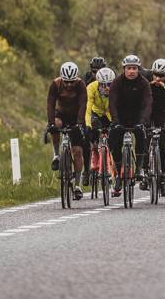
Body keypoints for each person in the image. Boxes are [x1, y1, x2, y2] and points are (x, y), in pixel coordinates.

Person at [108, 55, 152, 198]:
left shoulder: (144, 83)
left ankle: (139, 168)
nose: (132, 71)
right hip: (120, 117)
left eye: (134, 68)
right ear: (124, 69)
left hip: (137, 117)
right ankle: (119, 175)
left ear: (138, 69)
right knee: (114, 142)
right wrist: (115, 121)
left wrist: (143, 121)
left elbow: (147, 103)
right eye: (129, 68)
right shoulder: (117, 82)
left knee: (141, 136)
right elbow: (112, 103)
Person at [47, 61, 87, 199]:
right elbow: (50, 104)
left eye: (72, 82)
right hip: (62, 114)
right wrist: (50, 123)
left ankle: (77, 185)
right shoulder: (55, 84)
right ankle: (56, 155)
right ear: (61, 78)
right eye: (66, 82)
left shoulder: (81, 85)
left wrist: (80, 123)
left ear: (76, 78)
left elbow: (83, 105)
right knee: (56, 125)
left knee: (77, 151)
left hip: (76, 117)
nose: (69, 85)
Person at [84, 66, 115, 185]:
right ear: (98, 83)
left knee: (113, 135)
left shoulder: (115, 88)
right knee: (92, 130)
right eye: (103, 85)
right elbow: (87, 109)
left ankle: (111, 167)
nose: (106, 87)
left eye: (109, 84)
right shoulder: (91, 88)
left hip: (109, 113)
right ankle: (94, 152)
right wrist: (87, 125)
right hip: (95, 112)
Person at [148, 58, 165, 196]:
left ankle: (163, 179)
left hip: (163, 114)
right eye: (155, 74)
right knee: (145, 141)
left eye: (161, 76)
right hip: (149, 112)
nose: (157, 78)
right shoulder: (146, 79)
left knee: (163, 146)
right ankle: (146, 170)